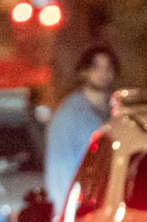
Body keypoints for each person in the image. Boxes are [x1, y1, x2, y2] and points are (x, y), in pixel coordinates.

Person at [43, 45, 117, 212]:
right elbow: (60, 170)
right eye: (96, 67)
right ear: (84, 72)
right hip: (81, 210)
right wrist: (68, 214)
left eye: (108, 67)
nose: (103, 73)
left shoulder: (117, 112)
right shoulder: (69, 115)